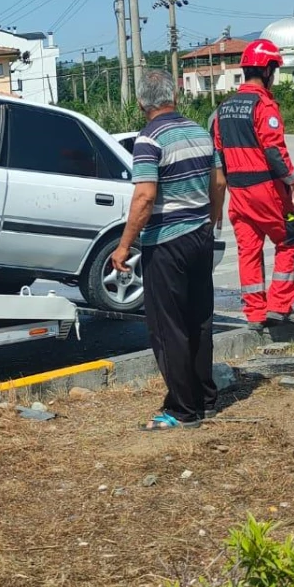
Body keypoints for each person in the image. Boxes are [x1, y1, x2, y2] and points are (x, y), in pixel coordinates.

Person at [113, 69, 228, 431]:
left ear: (141, 102)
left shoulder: (148, 140)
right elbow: (219, 181)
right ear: (174, 98)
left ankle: (182, 409)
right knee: (199, 320)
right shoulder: (198, 131)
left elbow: (145, 196)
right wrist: (212, 218)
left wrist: (124, 245)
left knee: (168, 327)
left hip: (166, 241)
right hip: (199, 236)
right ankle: (205, 399)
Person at [211, 38, 294, 332]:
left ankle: (255, 313)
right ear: (267, 70)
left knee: (249, 250)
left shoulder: (223, 109)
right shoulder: (263, 105)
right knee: (289, 238)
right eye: (274, 70)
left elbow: (219, 157)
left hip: (238, 193)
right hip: (266, 190)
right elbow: (274, 150)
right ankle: (279, 307)